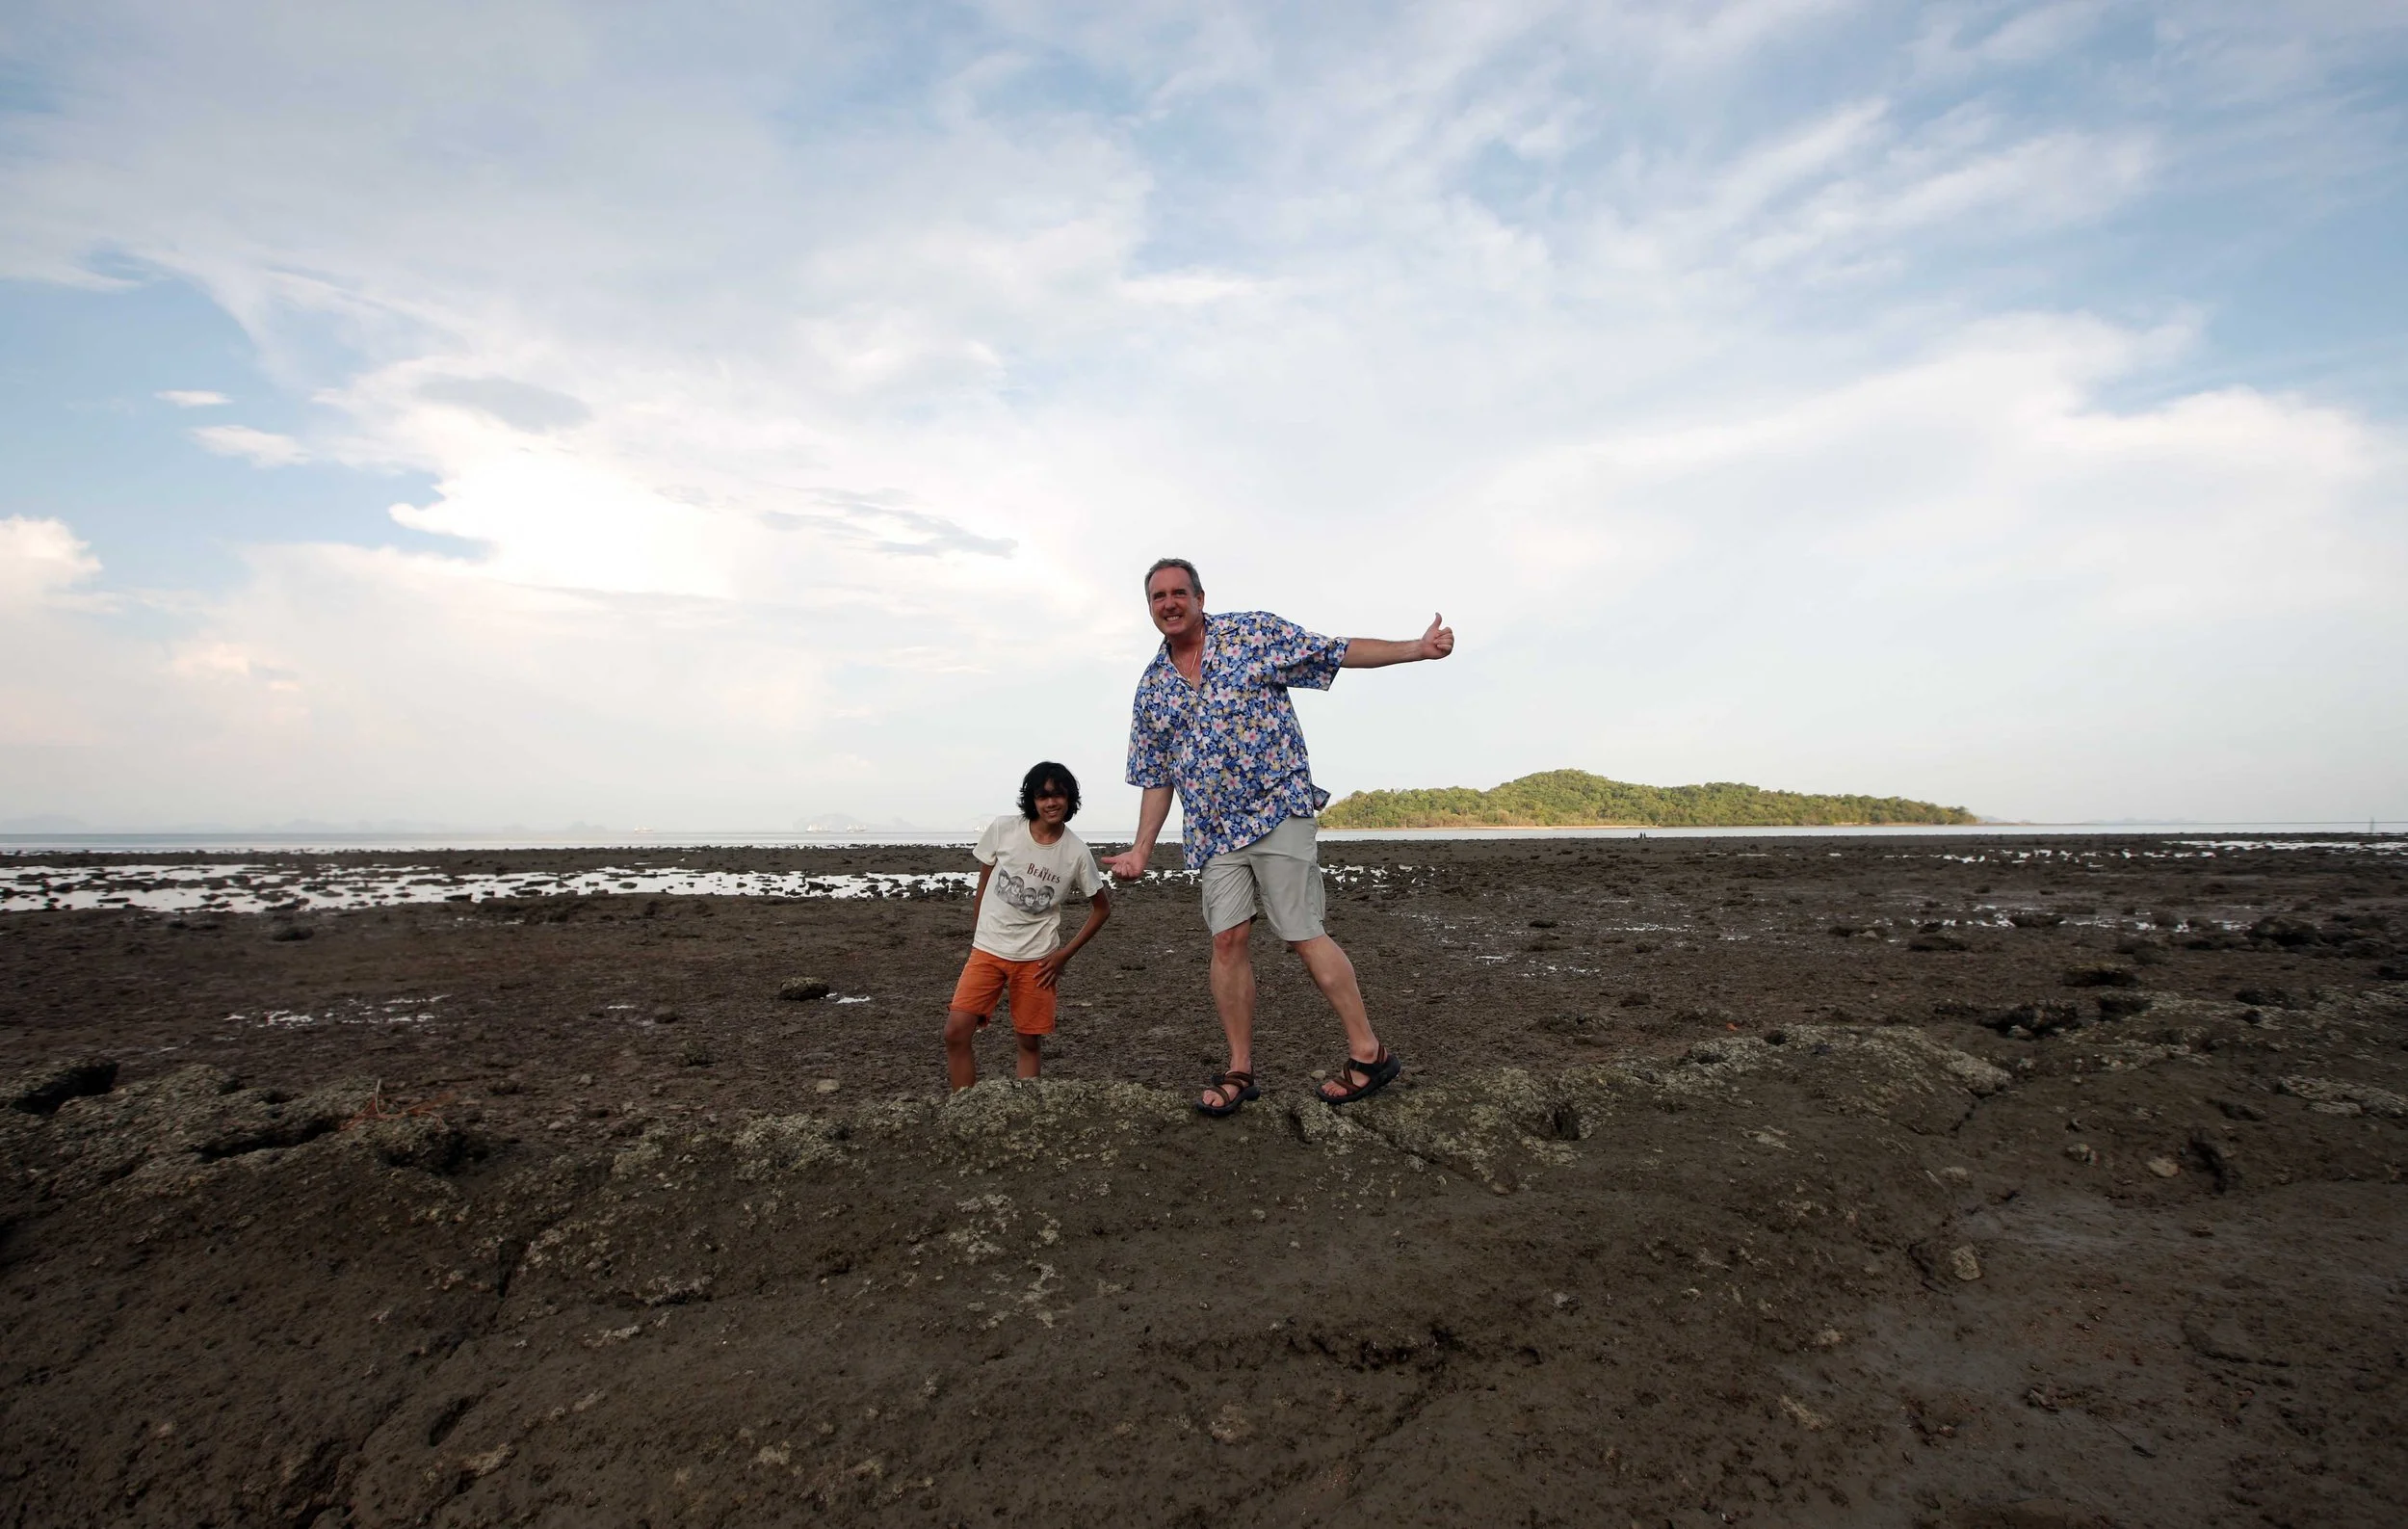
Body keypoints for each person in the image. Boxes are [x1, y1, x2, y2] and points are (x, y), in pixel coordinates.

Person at [1099, 559, 1453, 1115]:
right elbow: (1157, 775)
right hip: (1213, 833)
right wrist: (1143, 847)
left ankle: (1369, 1052)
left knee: (1300, 932)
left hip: (1277, 810)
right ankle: (1240, 1069)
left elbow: (1335, 651)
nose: (1169, 604)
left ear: (1199, 597)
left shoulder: (1251, 635)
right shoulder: (1152, 687)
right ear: (1150, 607)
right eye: (1157, 597)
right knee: (1226, 942)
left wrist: (1417, 647)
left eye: (1178, 593)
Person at [944, 761, 1111, 1092]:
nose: (1051, 803)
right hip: (988, 950)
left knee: (1029, 1043)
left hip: (1037, 959)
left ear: (1069, 799)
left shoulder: (1076, 852)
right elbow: (984, 880)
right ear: (1032, 800)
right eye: (1043, 795)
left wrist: (1064, 956)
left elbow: (1102, 909)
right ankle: (963, 1110)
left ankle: (1026, 1112)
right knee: (956, 1031)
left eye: (1058, 795)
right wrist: (979, 930)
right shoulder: (1004, 829)